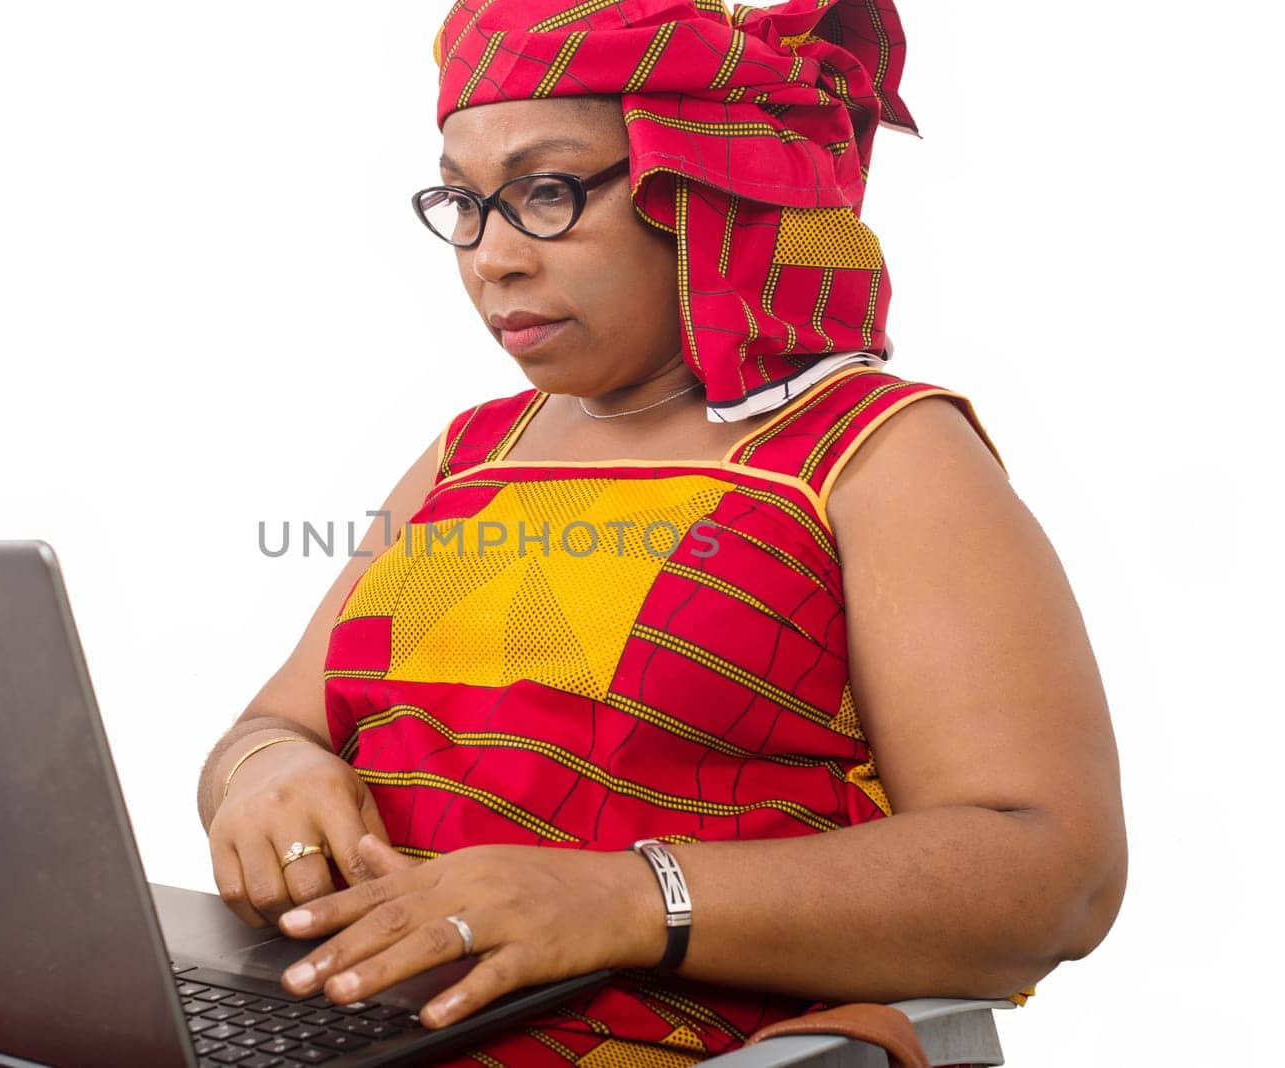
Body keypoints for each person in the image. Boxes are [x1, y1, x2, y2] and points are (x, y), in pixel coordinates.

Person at [196, 1, 1128, 1063]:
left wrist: (627, 898)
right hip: (345, 1026)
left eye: (544, 192)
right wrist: (265, 773)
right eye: (463, 198)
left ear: (701, 190)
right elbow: (271, 726)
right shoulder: (471, 454)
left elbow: (1054, 875)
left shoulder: (873, 456)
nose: (489, 257)